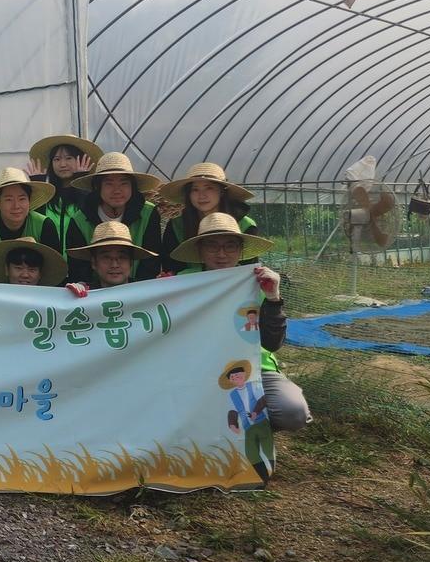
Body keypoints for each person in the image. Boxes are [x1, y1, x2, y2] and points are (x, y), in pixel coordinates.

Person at [171, 212, 310, 434]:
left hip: (254, 366)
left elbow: (273, 343)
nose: (222, 254)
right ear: (200, 250)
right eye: (212, 246)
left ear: (241, 250)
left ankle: (252, 434)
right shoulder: (183, 282)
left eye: (230, 246)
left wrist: (273, 298)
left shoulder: (257, 282)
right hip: (198, 369)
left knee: (292, 412)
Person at [70, 152, 164, 281]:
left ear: (132, 186)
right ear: (98, 187)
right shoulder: (79, 220)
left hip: (138, 289)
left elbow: (151, 261)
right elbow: (79, 267)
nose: (117, 190)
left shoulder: (148, 213)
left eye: (124, 183)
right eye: (109, 183)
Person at [158, 163, 261, 274]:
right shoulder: (177, 225)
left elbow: (249, 268)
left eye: (209, 188)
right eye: (195, 190)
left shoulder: (245, 225)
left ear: (221, 191)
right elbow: (171, 267)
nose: (202, 195)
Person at [28, 135, 102, 285]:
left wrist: (82, 182)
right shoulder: (49, 197)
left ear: (81, 160)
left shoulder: (91, 195)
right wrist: (38, 186)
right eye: (56, 159)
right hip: (50, 272)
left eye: (69, 158)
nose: (62, 164)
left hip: (83, 273)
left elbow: (88, 217)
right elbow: (36, 222)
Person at [0, 167, 55, 247]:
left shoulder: (44, 225)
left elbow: (54, 260)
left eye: (22, 199)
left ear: (29, 200)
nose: (16, 206)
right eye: (9, 199)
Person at [66, 221, 157, 291]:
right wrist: (68, 296)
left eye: (121, 257)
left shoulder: (148, 291)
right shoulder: (84, 293)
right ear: (94, 263)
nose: (114, 265)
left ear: (131, 262)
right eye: (106, 258)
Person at [0, 237, 68, 286]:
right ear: (7, 269)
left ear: (40, 273)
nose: (25, 275)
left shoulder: (50, 301)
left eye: (32, 269)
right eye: (18, 268)